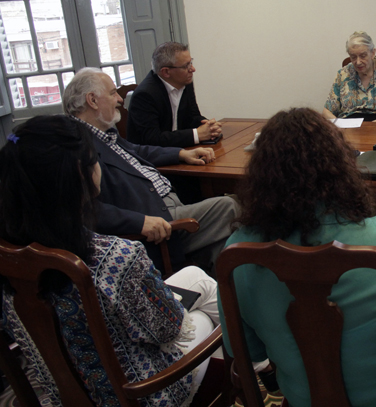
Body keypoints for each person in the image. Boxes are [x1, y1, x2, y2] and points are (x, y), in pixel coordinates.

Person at [217, 108, 376, 407]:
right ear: (342, 166)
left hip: (305, 398)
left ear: (261, 177)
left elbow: (247, 352)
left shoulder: (238, 254)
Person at [0, 115, 222, 406]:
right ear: (81, 174)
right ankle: (249, 375)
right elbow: (169, 331)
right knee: (209, 315)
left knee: (195, 276)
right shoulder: (115, 257)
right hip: (142, 393)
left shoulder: (9, 254)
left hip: (58, 395)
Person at [63, 67, 238, 275]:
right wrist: (140, 222)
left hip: (169, 204)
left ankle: (225, 292)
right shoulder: (75, 145)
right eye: (112, 93)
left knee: (221, 240)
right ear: (92, 100)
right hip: (158, 221)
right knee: (233, 205)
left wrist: (181, 154)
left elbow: (136, 150)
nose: (119, 99)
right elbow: (80, 209)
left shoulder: (103, 133)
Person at [127, 42, 222, 147]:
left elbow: (193, 117)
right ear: (166, 72)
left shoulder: (185, 82)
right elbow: (152, 139)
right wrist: (196, 134)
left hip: (179, 149)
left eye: (191, 62)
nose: (193, 69)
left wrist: (209, 127)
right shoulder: (145, 95)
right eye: (186, 66)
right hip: (152, 159)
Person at [323, 31, 376, 119]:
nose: (358, 62)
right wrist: (339, 126)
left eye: (363, 56)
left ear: (373, 53)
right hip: (348, 127)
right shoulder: (343, 74)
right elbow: (326, 111)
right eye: (353, 57)